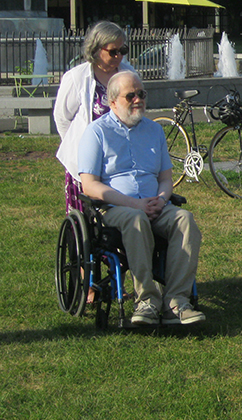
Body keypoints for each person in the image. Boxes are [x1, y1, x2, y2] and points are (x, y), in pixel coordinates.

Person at [77, 71, 205, 325]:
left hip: (155, 204)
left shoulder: (155, 130)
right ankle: (147, 299)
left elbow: (165, 178)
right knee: (136, 219)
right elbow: (89, 185)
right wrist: (135, 204)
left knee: (185, 220)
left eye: (142, 94)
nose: (138, 100)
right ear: (112, 102)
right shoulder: (96, 133)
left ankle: (176, 301)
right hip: (117, 208)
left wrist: (161, 198)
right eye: (130, 95)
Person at [54, 21, 136, 215]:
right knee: (84, 214)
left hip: (119, 158)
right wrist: (82, 148)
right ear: (97, 49)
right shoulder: (77, 77)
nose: (119, 56)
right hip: (87, 160)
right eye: (113, 51)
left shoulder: (128, 74)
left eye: (122, 50)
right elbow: (62, 117)